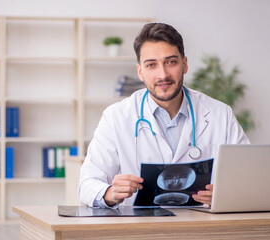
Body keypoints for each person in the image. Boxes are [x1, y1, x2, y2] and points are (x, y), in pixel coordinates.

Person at [79, 23, 250, 208]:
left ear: (184, 65)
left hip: (202, 229)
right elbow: (87, 185)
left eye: (171, 62)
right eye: (151, 65)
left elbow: (250, 178)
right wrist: (110, 193)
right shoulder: (116, 117)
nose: (163, 74)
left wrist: (227, 194)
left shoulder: (220, 115)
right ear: (140, 72)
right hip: (139, 231)